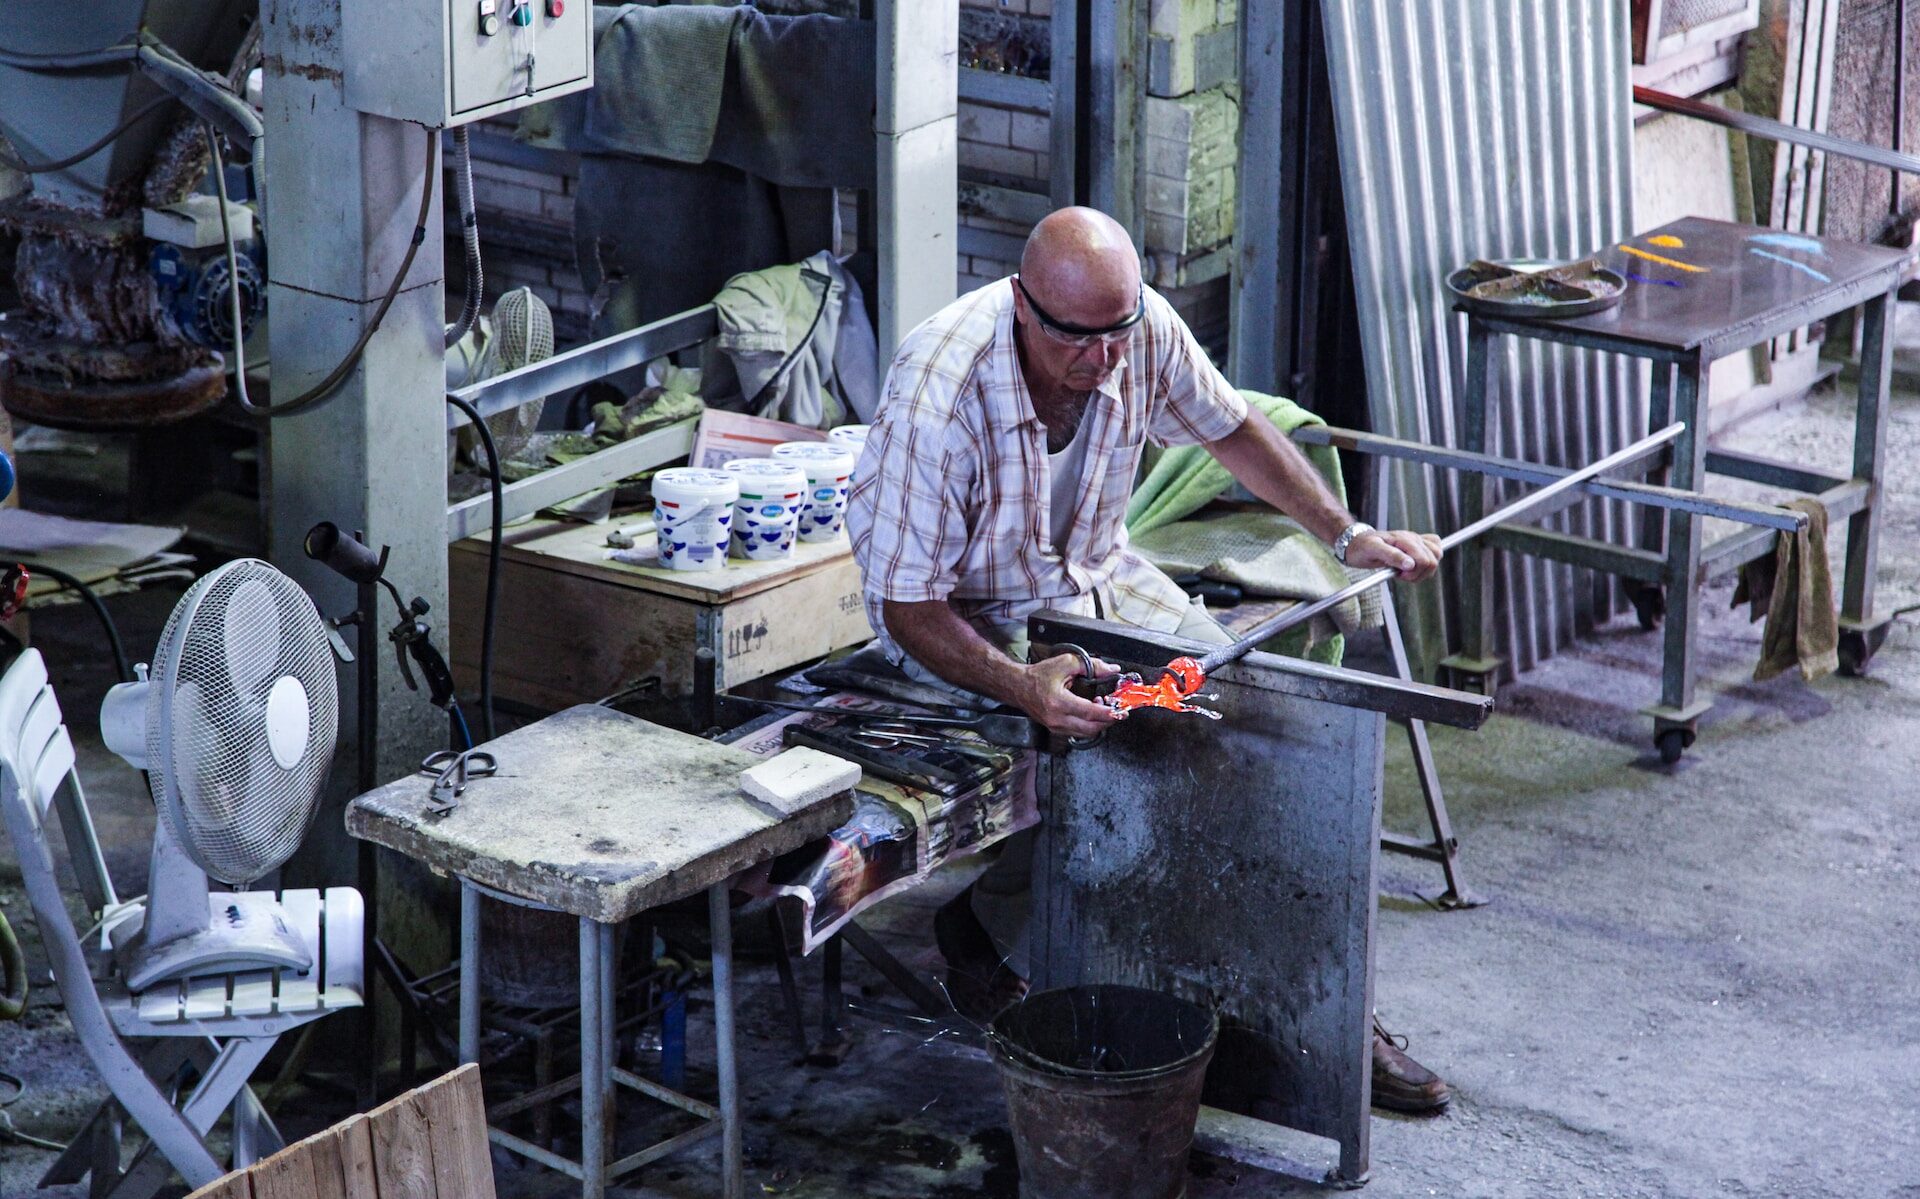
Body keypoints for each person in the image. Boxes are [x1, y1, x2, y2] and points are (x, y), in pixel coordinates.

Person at [845, 207, 1450, 1113]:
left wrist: (1346, 530)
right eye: (1078, 341)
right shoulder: (940, 391)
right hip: (965, 615)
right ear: (1023, 306)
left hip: (1092, 575)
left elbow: (1232, 427)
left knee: (1240, 718)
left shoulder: (1138, 328)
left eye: (1117, 333)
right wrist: (1020, 684)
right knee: (1095, 750)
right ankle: (1012, 934)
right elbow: (908, 603)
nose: (1103, 361)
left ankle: (1328, 1018)